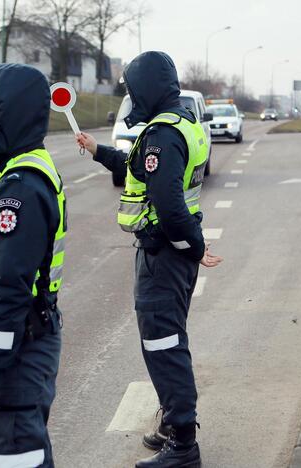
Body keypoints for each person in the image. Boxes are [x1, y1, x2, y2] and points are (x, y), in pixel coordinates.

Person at [77, 51, 222, 468]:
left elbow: (171, 208)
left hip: (164, 255)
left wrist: (196, 248)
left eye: (133, 87)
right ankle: (170, 423)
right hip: (171, 254)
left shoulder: (161, 135)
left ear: (147, 88)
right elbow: (139, 168)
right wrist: (98, 150)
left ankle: (182, 444)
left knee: (164, 343)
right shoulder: (182, 125)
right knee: (168, 341)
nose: (130, 95)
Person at [0, 63, 67, 468]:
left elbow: (8, 291)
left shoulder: (20, 187)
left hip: (18, 353)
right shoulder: (18, 171)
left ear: (8, 112)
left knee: (16, 460)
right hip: (23, 345)